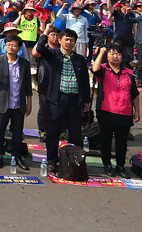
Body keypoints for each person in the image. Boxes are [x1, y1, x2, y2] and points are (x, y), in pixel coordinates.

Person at [36, 28, 91, 174]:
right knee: (53, 131)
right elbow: (40, 48)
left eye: (72, 40)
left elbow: (85, 82)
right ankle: (52, 160)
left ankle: (73, 160)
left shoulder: (80, 59)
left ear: (75, 42)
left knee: (74, 133)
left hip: (74, 100)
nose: (69, 42)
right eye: (66, 39)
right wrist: (45, 32)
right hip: (56, 99)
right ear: (60, 40)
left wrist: (86, 100)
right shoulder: (52, 54)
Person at [91, 44, 141, 177]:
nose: (115, 56)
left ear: (122, 57)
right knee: (106, 140)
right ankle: (107, 164)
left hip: (124, 112)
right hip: (106, 111)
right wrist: (100, 53)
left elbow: (135, 94)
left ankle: (120, 166)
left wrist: (137, 111)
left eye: (118, 54)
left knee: (121, 141)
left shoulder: (129, 73)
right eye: (112, 53)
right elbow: (94, 69)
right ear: (107, 56)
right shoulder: (103, 70)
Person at [0, 35, 32, 170]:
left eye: (13, 45)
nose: (10, 47)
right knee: (0, 130)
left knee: (18, 132)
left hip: (18, 102)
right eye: (8, 45)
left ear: (19, 48)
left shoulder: (24, 63)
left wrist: (29, 102)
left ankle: (17, 156)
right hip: (2, 102)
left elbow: (28, 85)